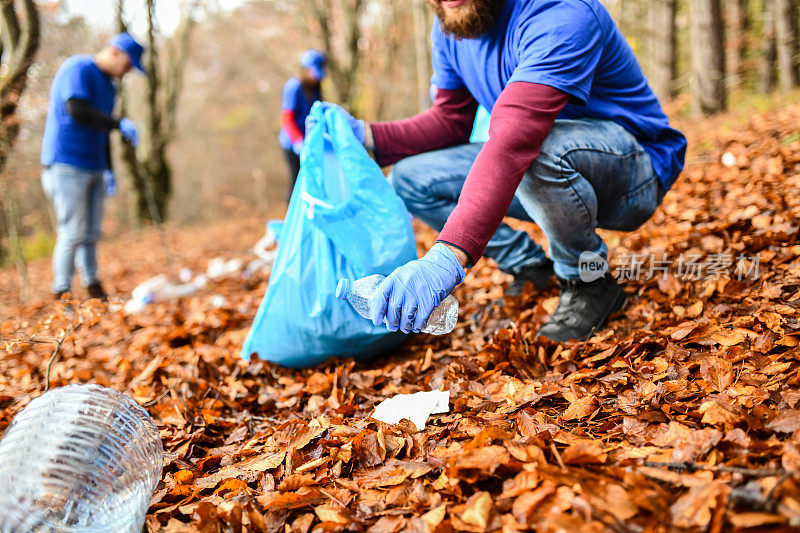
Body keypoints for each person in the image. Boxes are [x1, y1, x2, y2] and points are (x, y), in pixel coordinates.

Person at [320, 0, 687, 342]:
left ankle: (588, 281)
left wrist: (445, 259)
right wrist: (365, 135)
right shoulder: (453, 22)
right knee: (411, 177)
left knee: (534, 147)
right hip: (545, 172)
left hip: (635, 174)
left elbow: (515, 137)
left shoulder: (561, 12)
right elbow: (450, 120)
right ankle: (529, 266)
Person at [41, 32, 146, 302]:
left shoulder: (109, 86)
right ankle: (61, 291)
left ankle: (93, 287)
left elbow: (102, 131)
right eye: (127, 64)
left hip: (94, 164)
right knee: (72, 230)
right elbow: (78, 110)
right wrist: (118, 122)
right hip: (66, 163)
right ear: (114, 53)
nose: (127, 71)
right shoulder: (79, 68)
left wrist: (109, 168)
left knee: (90, 232)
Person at [279, 49, 326, 200]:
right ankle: (290, 219)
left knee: (311, 182)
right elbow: (286, 119)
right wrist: (298, 141)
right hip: (292, 145)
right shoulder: (294, 87)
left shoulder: (316, 88)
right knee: (296, 182)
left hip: (310, 143)